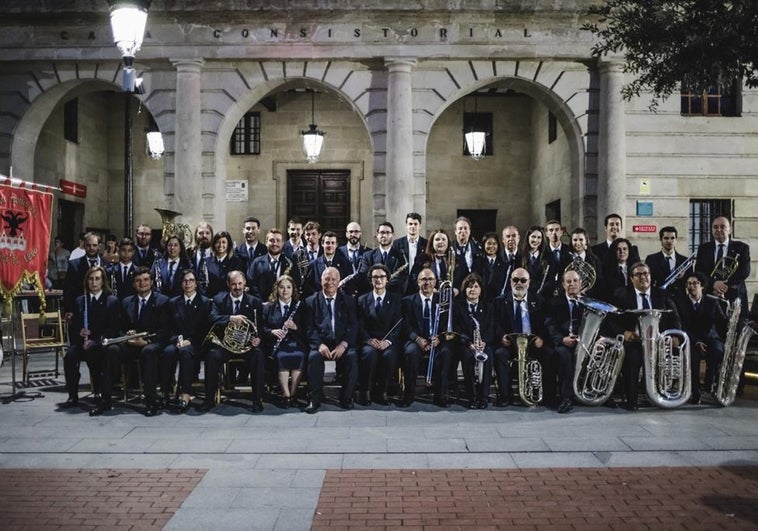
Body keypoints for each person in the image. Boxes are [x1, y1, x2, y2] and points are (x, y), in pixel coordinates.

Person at [92, 266, 170, 417]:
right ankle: (106, 399)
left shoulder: (162, 301)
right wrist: (127, 335)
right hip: (130, 343)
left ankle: (150, 401)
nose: (142, 283)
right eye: (138, 281)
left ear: (152, 282)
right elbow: (119, 327)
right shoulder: (126, 301)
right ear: (134, 284)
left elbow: (164, 331)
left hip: (151, 344)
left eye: (146, 280)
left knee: (148, 352)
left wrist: (146, 341)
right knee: (112, 350)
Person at [607, 262, 681, 411]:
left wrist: (674, 335)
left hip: (659, 341)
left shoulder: (661, 294)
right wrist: (623, 332)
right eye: (638, 275)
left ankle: (662, 393)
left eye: (646, 274)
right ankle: (631, 400)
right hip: (634, 340)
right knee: (632, 358)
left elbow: (675, 317)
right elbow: (611, 320)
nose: (643, 277)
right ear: (631, 278)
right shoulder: (621, 293)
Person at [200, 270, 266, 413]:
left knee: (258, 355)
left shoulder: (254, 302)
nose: (237, 287)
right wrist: (230, 318)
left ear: (245, 284)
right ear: (228, 284)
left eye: (240, 283)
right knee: (212, 355)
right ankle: (209, 399)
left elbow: (259, 326)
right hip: (224, 345)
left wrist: (257, 338)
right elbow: (212, 318)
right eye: (234, 284)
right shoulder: (218, 300)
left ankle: (257, 399)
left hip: (246, 347)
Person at [493, 267, 556, 407]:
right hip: (510, 344)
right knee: (499, 354)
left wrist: (542, 338)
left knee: (549, 354)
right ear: (510, 282)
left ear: (529, 282)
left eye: (523, 280)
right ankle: (505, 396)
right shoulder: (500, 302)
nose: (519, 283)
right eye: (515, 280)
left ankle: (548, 396)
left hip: (533, 343)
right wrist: (501, 337)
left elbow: (547, 323)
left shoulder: (539, 301)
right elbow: (495, 324)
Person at [61, 266, 121, 409]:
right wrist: (79, 332)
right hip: (83, 343)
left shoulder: (111, 301)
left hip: (101, 344)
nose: (94, 282)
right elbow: (74, 326)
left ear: (103, 281)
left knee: (94, 353)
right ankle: (72, 395)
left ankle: (99, 392)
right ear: (86, 281)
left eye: (97, 279)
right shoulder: (80, 301)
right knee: (69, 355)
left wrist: (96, 340)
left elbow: (114, 328)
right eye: (91, 279)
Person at [304, 267, 359, 413]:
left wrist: (344, 344)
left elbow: (353, 325)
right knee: (313, 357)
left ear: (339, 281)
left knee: (352, 356)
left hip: (341, 342)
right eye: (327, 279)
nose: (330, 282)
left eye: (334, 279)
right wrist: (319, 344)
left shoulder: (348, 301)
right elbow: (309, 328)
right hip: (321, 343)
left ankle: (346, 397)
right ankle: (314, 399)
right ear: (321, 281)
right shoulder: (310, 301)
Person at [161, 269, 212, 412]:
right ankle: (165, 392)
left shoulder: (205, 302)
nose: (188, 283)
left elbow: (206, 329)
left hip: (197, 343)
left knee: (186, 353)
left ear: (196, 283)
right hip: (177, 341)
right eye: (185, 281)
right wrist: (178, 340)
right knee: (167, 352)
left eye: (191, 280)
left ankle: (185, 394)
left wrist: (190, 341)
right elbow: (168, 327)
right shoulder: (173, 303)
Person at [399, 268, 450, 408]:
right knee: (410, 352)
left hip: (437, 340)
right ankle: (408, 395)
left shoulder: (444, 301)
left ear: (435, 282)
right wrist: (417, 339)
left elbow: (447, 324)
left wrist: (439, 338)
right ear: (417, 282)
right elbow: (405, 325)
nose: (427, 283)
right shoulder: (407, 301)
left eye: (430, 279)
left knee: (445, 352)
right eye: (423, 279)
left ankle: (440, 396)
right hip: (416, 341)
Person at [676, 271, 725, 404]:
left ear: (702, 286)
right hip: (692, 340)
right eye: (689, 283)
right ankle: (695, 390)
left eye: (695, 283)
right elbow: (682, 326)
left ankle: (711, 381)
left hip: (710, 338)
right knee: (691, 357)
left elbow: (722, 322)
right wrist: (696, 341)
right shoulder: (681, 303)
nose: (692, 286)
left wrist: (724, 302)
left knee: (718, 350)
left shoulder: (712, 301)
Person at [356, 264, 402, 406]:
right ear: (371, 280)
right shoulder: (362, 300)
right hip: (369, 341)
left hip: (388, 341)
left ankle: (383, 391)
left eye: (382, 276)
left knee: (389, 355)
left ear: (387, 279)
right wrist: (368, 340)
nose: (378, 280)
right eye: (375, 277)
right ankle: (366, 391)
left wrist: (388, 341)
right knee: (369, 353)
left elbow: (399, 325)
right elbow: (359, 325)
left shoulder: (396, 299)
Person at [262, 275, 309, 408]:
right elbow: (262, 328)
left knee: (299, 356)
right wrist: (272, 332)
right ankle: (286, 395)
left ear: (293, 289)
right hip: (277, 345)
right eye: (282, 287)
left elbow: (307, 329)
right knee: (282, 357)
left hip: (296, 343)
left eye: (288, 287)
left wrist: (295, 327)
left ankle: (293, 393)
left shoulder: (300, 306)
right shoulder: (268, 307)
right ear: (277, 289)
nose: (285, 291)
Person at [695, 215, 751, 319]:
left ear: (730, 230)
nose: (718, 229)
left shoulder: (742, 247)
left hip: (735, 296)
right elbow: (699, 272)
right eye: (715, 227)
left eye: (722, 226)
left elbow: (744, 271)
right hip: (710, 295)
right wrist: (714, 284)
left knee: (735, 331)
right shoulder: (703, 248)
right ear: (711, 230)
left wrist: (724, 285)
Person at [452, 273, 494, 409]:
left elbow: (491, 328)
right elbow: (457, 329)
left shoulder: (488, 307)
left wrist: (484, 342)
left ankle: (484, 396)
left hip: (483, 344)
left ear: (481, 290)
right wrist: (469, 343)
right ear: (465, 289)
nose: (473, 290)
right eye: (469, 287)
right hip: (466, 344)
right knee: (467, 357)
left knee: (488, 356)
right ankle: (472, 397)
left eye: (476, 287)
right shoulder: (458, 307)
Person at [545, 269, 584, 414]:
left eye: (575, 281)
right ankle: (566, 397)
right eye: (568, 281)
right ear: (563, 284)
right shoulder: (554, 302)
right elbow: (550, 325)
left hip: (585, 343)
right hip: (564, 343)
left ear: (580, 284)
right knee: (564, 355)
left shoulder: (587, 302)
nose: (572, 284)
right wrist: (562, 339)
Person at [247, 228, 300, 300]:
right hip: (263, 305)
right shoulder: (256, 262)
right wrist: (260, 302)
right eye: (271, 240)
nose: (275, 243)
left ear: (282, 243)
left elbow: (296, 284)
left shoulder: (291, 262)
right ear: (266, 242)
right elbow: (252, 285)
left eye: (278, 241)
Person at [64, 232, 104, 317]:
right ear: (84, 246)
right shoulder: (74, 265)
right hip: (81, 309)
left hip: (102, 310)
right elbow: (68, 289)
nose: (91, 248)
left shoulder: (106, 265)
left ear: (99, 246)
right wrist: (69, 310)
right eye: (88, 245)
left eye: (94, 245)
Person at [302, 231, 351, 298]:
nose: (330, 245)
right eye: (327, 243)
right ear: (322, 244)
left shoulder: (345, 264)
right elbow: (308, 288)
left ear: (336, 245)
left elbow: (349, 286)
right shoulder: (313, 265)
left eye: (333, 243)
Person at [363, 222, 409, 295]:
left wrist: (381, 286)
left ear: (393, 235)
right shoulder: (368, 256)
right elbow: (365, 276)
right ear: (377, 235)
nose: (384, 235)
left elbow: (401, 279)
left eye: (387, 233)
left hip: (393, 297)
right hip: (373, 296)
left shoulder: (400, 256)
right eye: (381, 232)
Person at [645, 226, 691, 292]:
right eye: (666, 238)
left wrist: (683, 277)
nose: (669, 241)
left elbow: (690, 283)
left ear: (676, 240)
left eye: (672, 238)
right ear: (661, 240)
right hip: (659, 298)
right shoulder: (651, 259)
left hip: (679, 300)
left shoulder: (685, 261)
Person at [393, 213, 427, 295]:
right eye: (410, 224)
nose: (413, 226)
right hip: (401, 286)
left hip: (419, 285)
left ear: (420, 226)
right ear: (406, 225)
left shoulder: (426, 244)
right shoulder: (397, 243)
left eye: (416, 224)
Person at [338, 221, 372, 296]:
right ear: (346, 234)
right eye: (351, 232)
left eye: (356, 232)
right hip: (344, 295)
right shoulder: (338, 252)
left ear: (360, 233)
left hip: (363, 294)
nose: (353, 234)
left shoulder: (369, 252)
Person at [205, 231, 242, 298]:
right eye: (218, 242)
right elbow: (203, 284)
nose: (220, 245)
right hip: (211, 300)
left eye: (224, 242)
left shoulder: (235, 263)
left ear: (228, 245)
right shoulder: (206, 262)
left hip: (229, 300)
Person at [519, 225, 554, 298]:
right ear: (528, 237)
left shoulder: (549, 257)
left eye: (539, 237)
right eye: (533, 237)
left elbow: (550, 280)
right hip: (524, 296)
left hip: (543, 297)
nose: (536, 240)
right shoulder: (519, 257)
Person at [154, 234, 190, 298]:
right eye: (170, 245)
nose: (172, 248)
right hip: (161, 300)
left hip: (180, 301)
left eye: (175, 245)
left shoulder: (187, 265)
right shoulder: (158, 263)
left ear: (180, 248)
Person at [452, 216, 482, 289]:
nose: (463, 231)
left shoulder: (479, 249)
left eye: (465, 228)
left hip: (474, 288)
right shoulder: (450, 248)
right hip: (456, 289)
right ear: (455, 231)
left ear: (469, 231)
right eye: (460, 228)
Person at [480, 231, 508, 303]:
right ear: (484, 244)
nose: (491, 246)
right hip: (482, 299)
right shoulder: (477, 262)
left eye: (494, 244)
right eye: (489, 243)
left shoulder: (504, 263)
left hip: (498, 300)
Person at [189, 221, 214, 294]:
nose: (204, 236)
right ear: (195, 235)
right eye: (200, 233)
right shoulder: (189, 253)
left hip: (212, 294)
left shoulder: (217, 254)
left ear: (212, 235)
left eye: (207, 233)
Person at [499, 225, 521, 296]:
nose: (511, 239)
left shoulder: (525, 257)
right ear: (503, 240)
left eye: (514, 236)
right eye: (508, 236)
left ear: (519, 238)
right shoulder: (497, 257)